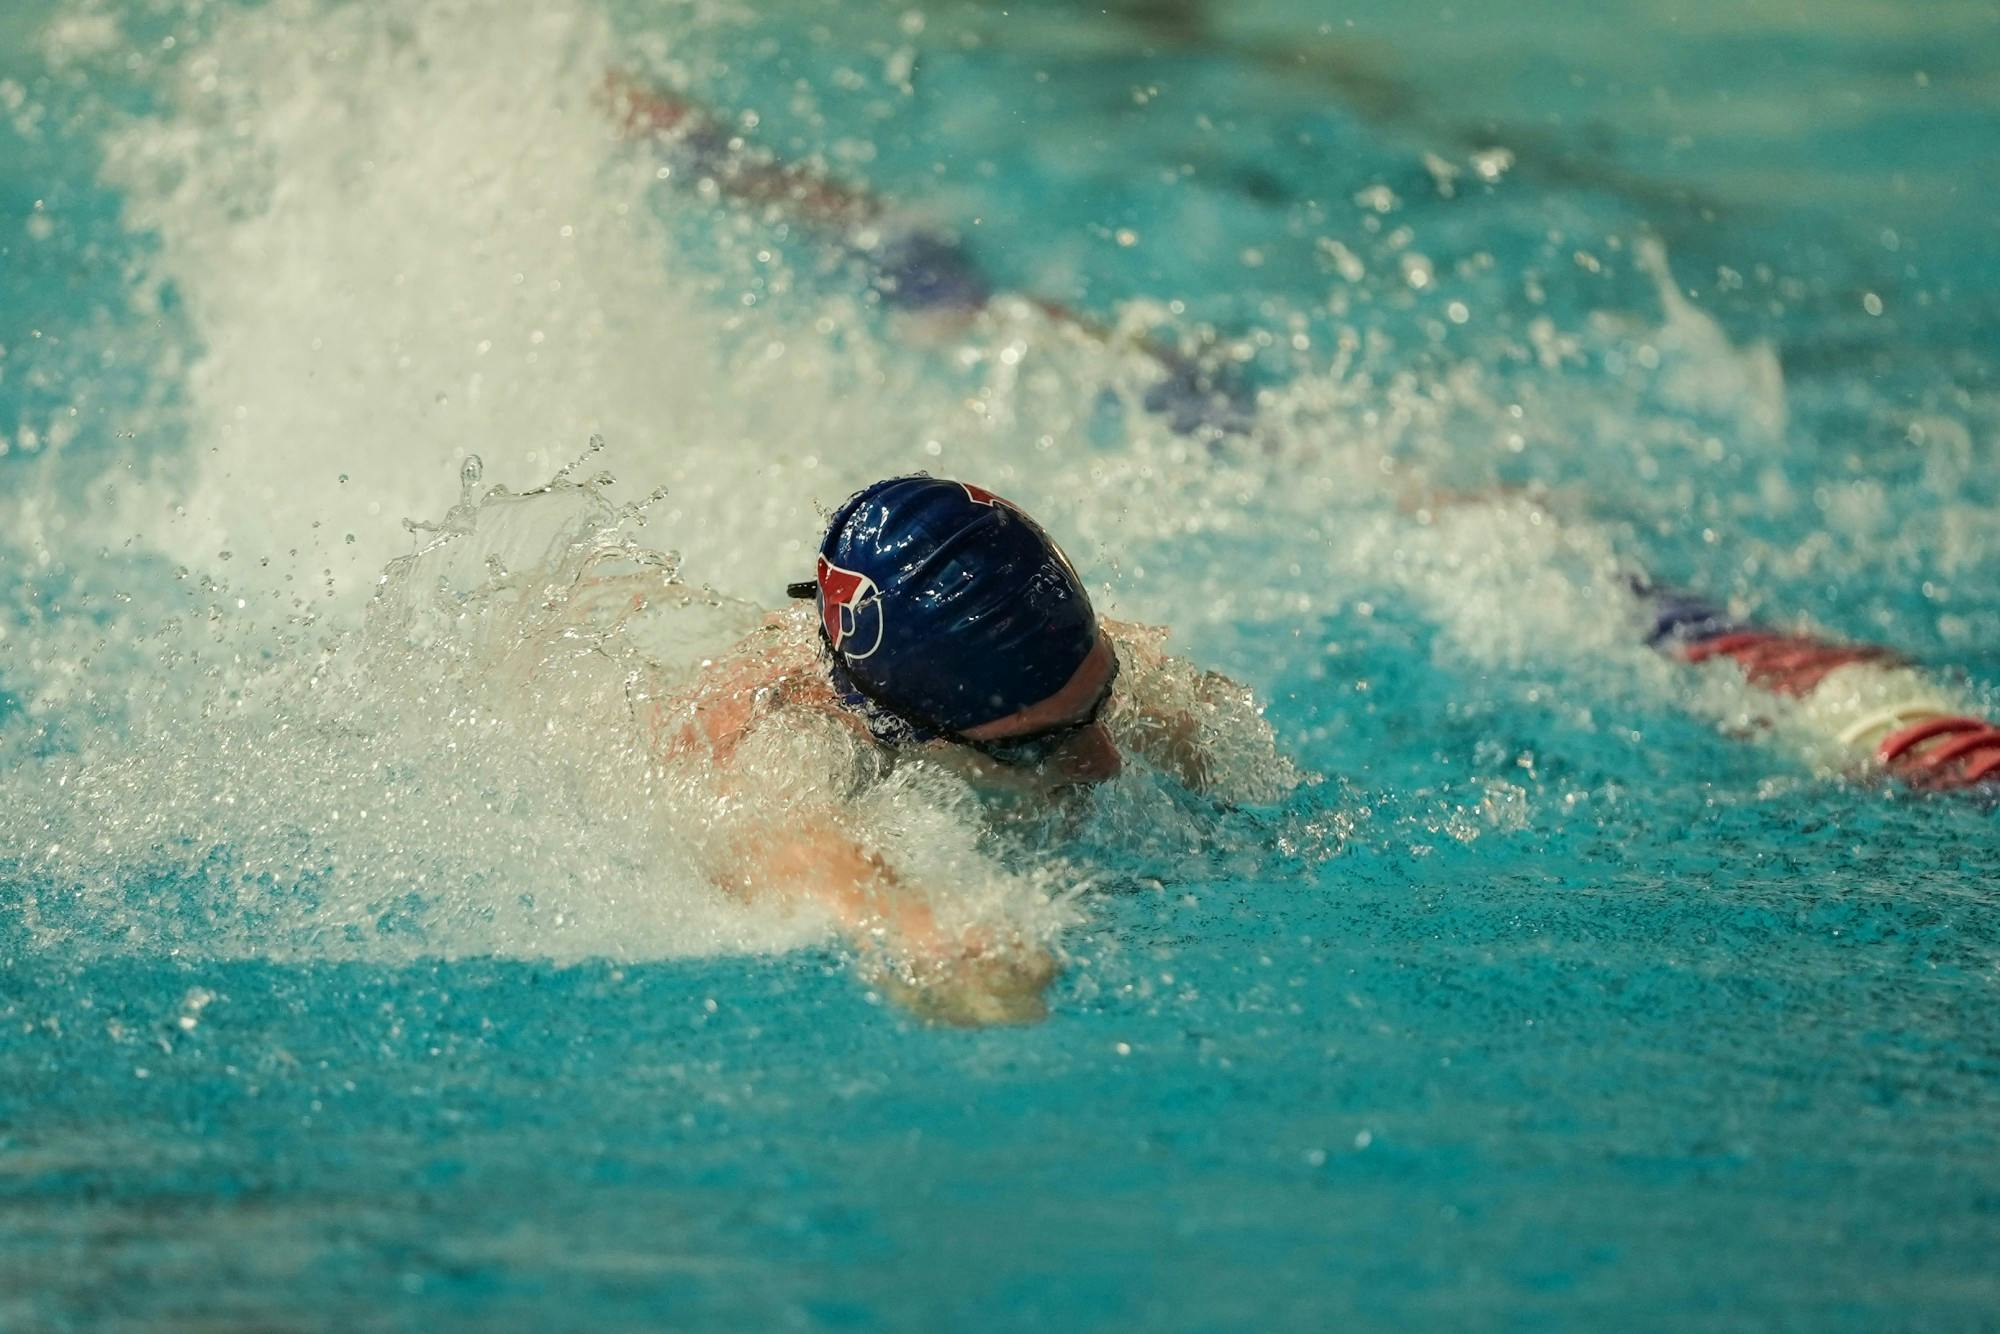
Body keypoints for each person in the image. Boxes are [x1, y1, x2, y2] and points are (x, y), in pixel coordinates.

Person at [637, 474, 1291, 1023]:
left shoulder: (1049, 666)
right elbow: (801, 859)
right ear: (899, 726)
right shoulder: (754, 741)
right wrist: (931, 935)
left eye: (1104, 697)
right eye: (1036, 747)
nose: (1105, 762)